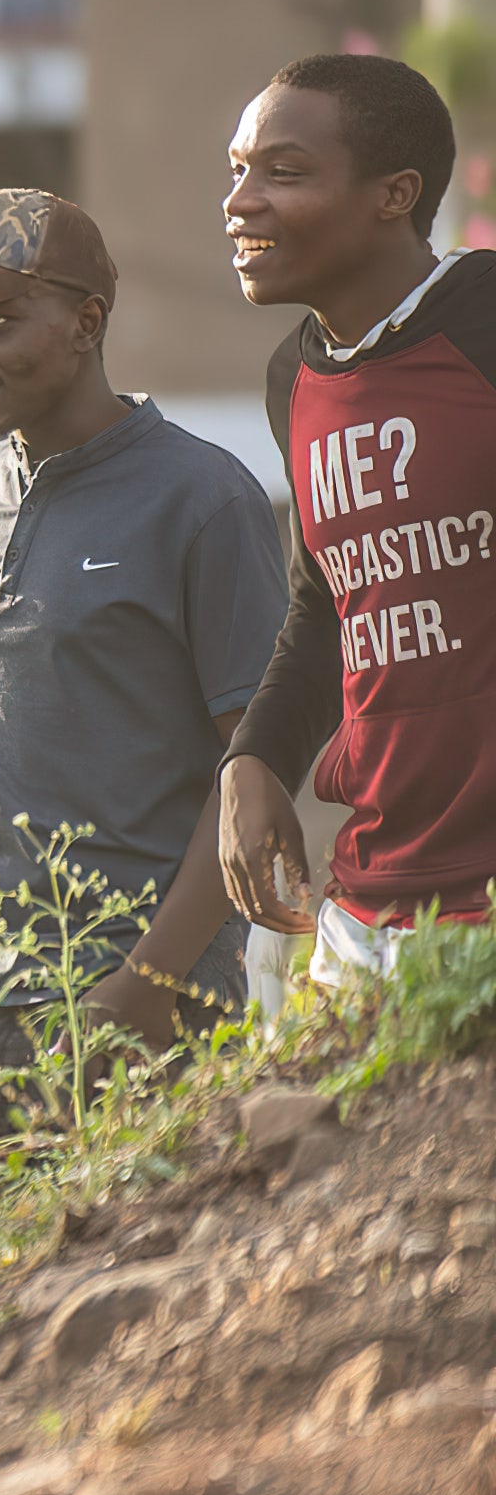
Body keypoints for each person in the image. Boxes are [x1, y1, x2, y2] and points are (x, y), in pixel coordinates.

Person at [0, 191, 285, 1267]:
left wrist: (151, 980)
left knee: (85, 1334)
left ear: (84, 321)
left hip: (125, 998)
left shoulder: (202, 500)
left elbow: (253, 769)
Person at [215, 53, 496, 985]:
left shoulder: (486, 319)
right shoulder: (292, 379)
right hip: (367, 908)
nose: (241, 201)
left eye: (283, 173)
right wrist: (256, 759)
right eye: (239, 170)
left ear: (394, 194)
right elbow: (328, 606)